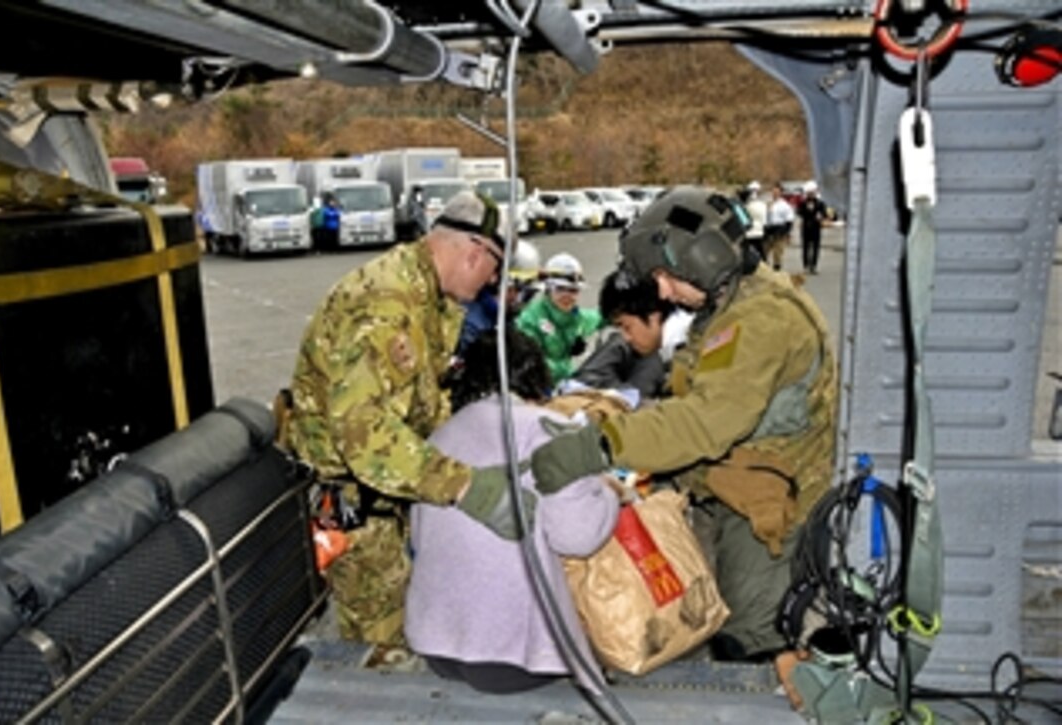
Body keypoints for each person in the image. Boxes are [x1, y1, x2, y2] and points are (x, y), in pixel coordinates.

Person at [528, 186, 838, 661]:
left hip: (772, 506)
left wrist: (600, 444)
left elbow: (704, 422)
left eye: (667, 278)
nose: (664, 292)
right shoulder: (733, 304)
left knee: (750, 643)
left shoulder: (760, 321)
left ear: (706, 260)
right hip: (740, 484)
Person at [287, 190, 539, 647]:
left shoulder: (425, 297)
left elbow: (422, 404)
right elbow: (366, 436)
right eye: (494, 268)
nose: (492, 281)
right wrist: (465, 485)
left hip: (384, 499)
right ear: (474, 252)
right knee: (384, 648)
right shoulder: (388, 303)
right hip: (356, 511)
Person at [405, 328, 618, 694]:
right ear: (535, 374)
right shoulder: (551, 431)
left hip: (435, 644)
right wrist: (610, 494)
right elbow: (579, 538)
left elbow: (419, 537)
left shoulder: (435, 441)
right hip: (518, 657)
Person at [570, 270, 676, 400]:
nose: (626, 337)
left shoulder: (690, 349)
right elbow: (584, 380)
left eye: (627, 327)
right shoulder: (632, 346)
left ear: (654, 317)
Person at [515, 252, 602, 386]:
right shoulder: (530, 320)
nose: (567, 296)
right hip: (536, 390)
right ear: (548, 289)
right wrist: (567, 371)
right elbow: (534, 366)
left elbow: (602, 317)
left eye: (573, 290)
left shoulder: (576, 318)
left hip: (564, 386)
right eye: (560, 289)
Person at [456, 239, 542, 355]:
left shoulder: (500, 316)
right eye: (523, 293)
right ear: (499, 285)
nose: (521, 302)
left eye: (529, 295)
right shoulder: (472, 327)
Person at [797, 179, 828, 274]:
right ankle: (806, 265)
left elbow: (824, 213)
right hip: (806, 227)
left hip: (816, 227)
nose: (810, 194)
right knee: (805, 247)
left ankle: (813, 266)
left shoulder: (820, 203)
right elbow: (799, 212)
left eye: (812, 192)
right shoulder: (803, 203)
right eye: (809, 193)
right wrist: (805, 212)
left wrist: (821, 216)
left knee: (815, 247)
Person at [765, 183, 795, 272]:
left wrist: (786, 232)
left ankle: (776, 271)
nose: (774, 193)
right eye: (773, 191)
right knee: (764, 252)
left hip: (780, 230)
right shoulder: (768, 203)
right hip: (768, 230)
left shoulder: (785, 205)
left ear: (781, 193)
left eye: (777, 192)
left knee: (777, 254)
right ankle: (766, 271)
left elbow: (789, 220)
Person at [743, 180, 768, 263]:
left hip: (748, 233)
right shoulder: (763, 205)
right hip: (759, 232)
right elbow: (764, 221)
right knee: (761, 254)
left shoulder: (745, 206)